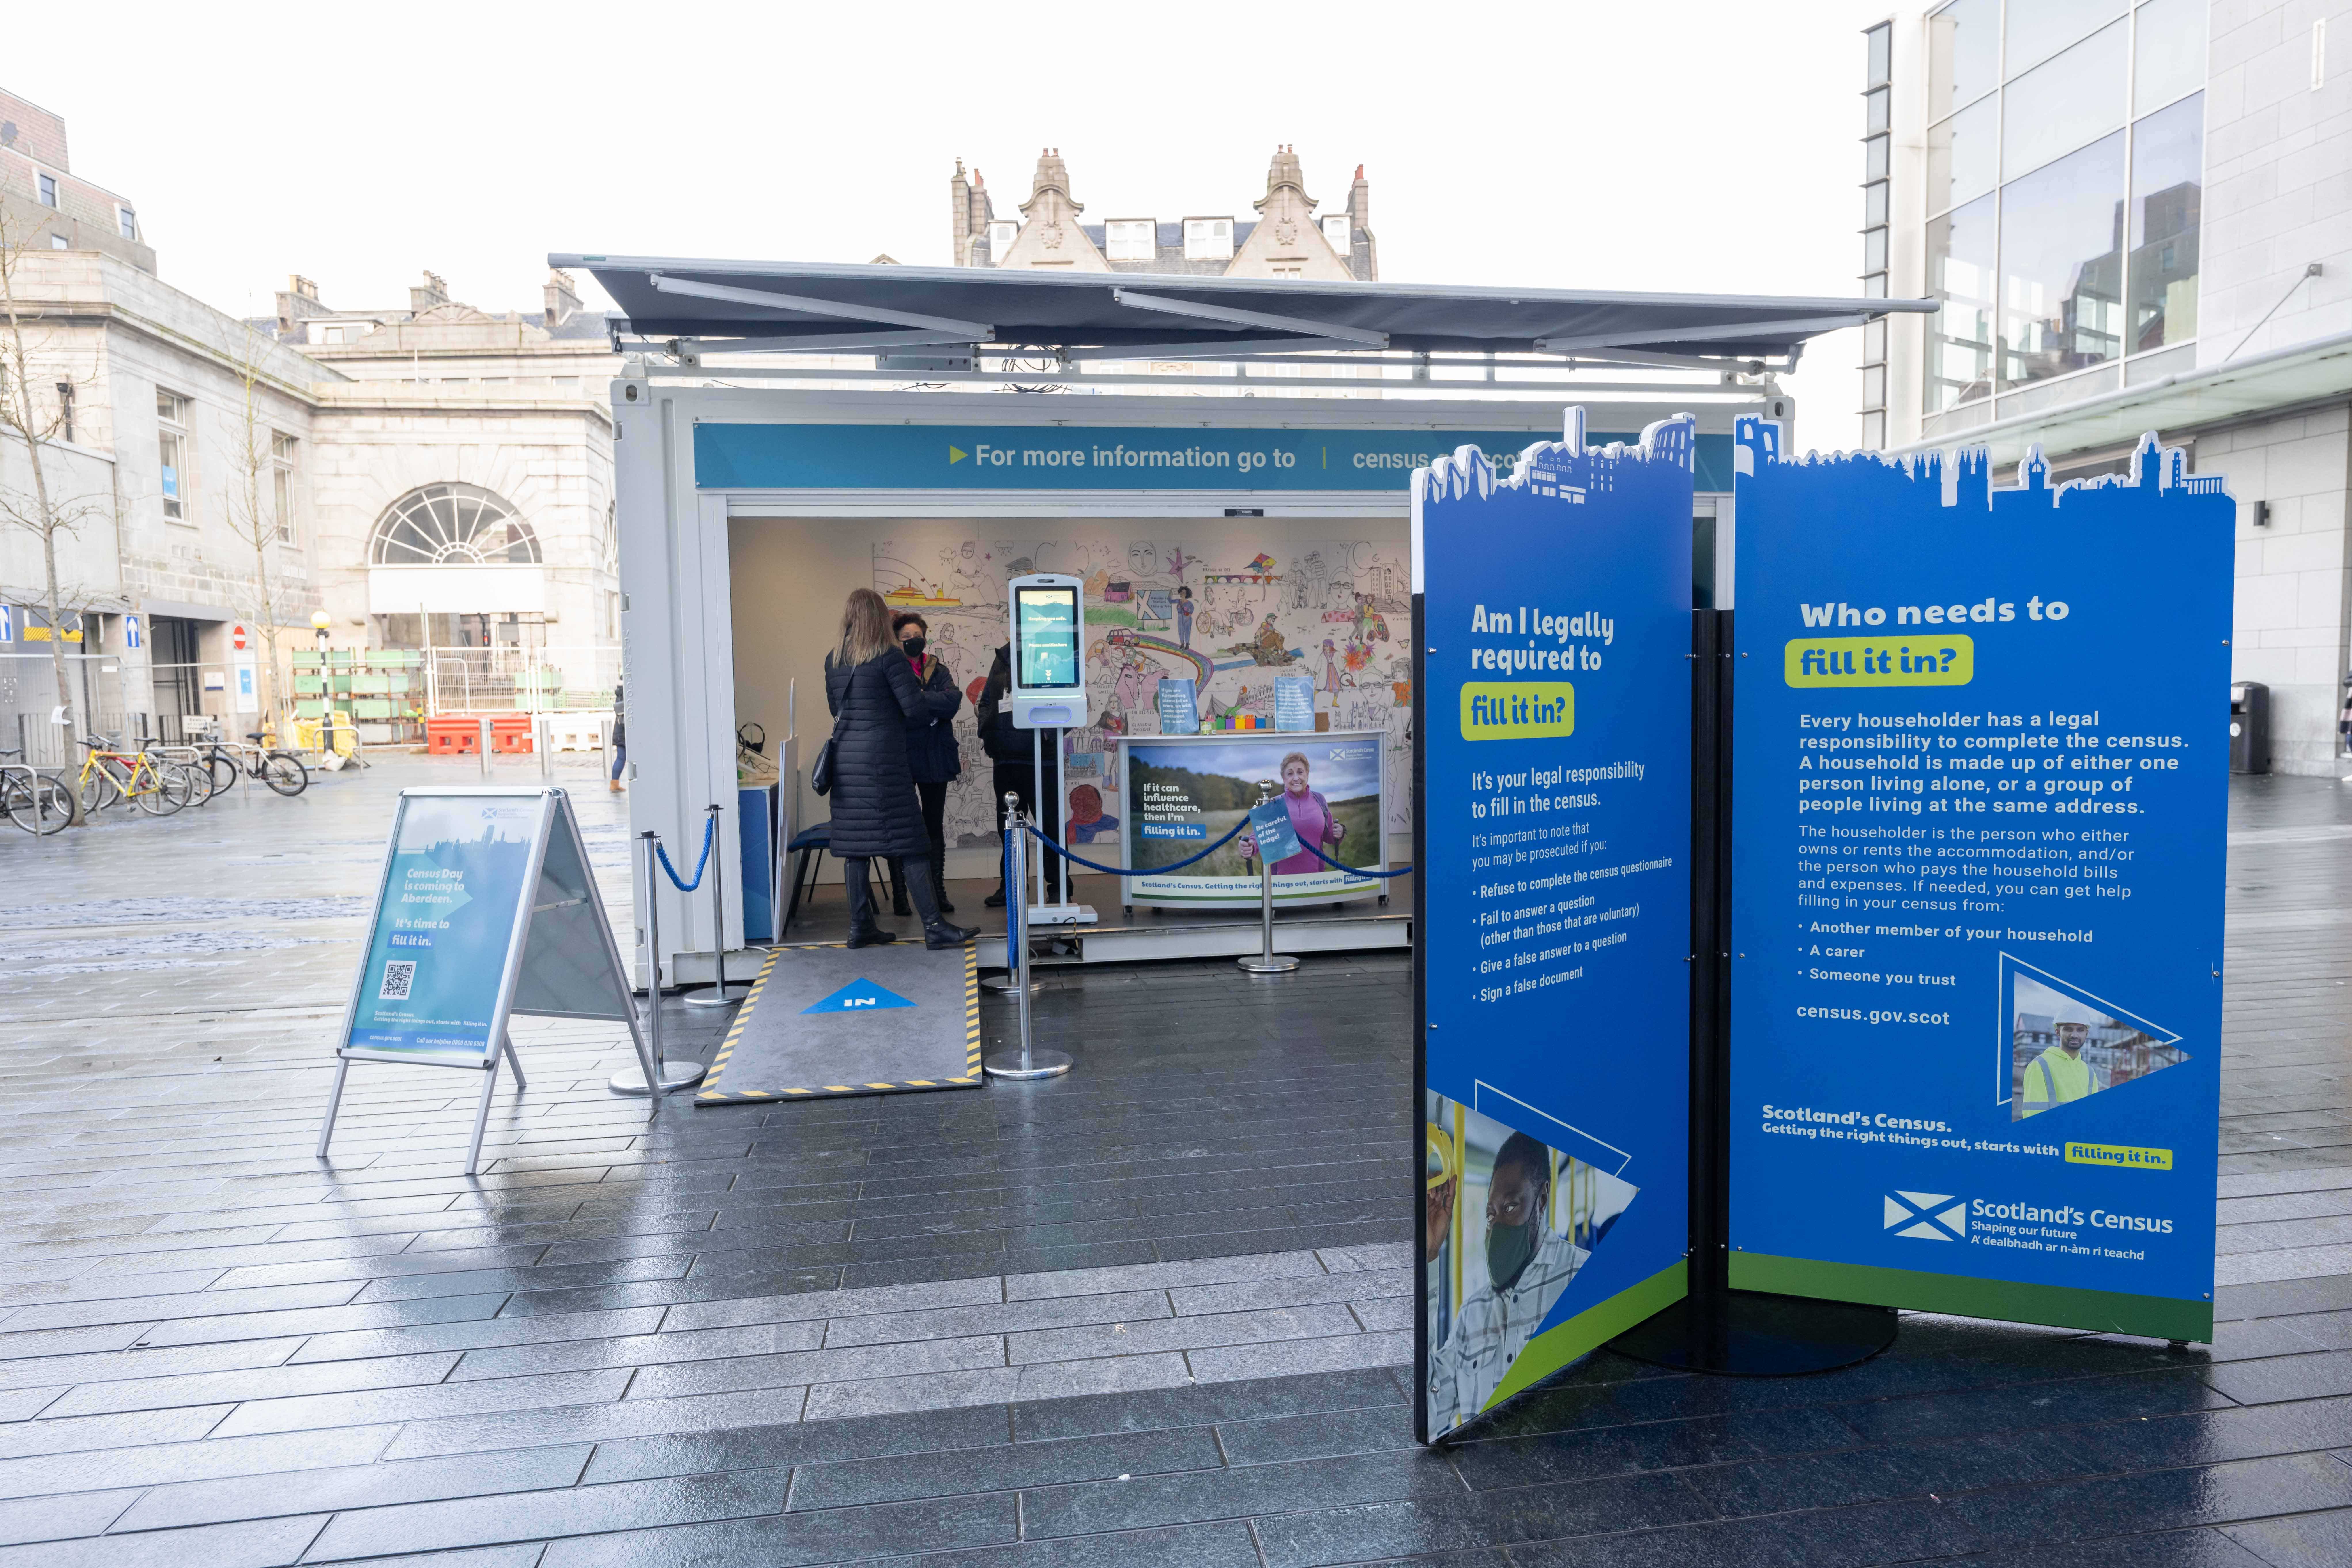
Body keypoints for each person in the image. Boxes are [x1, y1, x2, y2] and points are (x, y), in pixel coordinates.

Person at [822, 589, 977, 951]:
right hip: (883, 762)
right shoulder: (888, 657)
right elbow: (915, 710)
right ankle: (935, 926)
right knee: (912, 841)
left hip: (847, 762)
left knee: (855, 847)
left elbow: (836, 707)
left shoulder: (834, 659)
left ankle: (861, 926)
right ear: (881, 619)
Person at [1425, 1131, 1587, 1434]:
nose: (1497, 1225)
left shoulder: (1584, 1280)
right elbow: (1429, 1414)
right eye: (1490, 1215)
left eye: (1511, 1207)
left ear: (1541, 1200)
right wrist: (1430, 1254)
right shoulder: (1472, 1314)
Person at [886, 611, 962, 917]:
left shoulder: (938, 669)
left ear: (925, 636)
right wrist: (930, 706)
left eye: (916, 636)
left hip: (935, 756)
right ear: (896, 641)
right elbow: (894, 707)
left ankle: (937, 893)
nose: (912, 641)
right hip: (901, 756)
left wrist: (916, 700)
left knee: (934, 826)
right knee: (901, 827)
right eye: (905, 638)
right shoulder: (891, 669)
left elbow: (953, 702)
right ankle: (901, 896)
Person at [976, 639, 1062, 908]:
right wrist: (988, 732)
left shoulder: (1055, 653)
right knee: (1009, 830)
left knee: (1052, 829)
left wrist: (1050, 735)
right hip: (1006, 759)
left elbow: (1070, 703)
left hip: (1042, 759)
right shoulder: (1003, 656)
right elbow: (988, 700)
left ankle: (1059, 889)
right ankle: (1012, 886)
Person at [1238, 750, 1346, 876]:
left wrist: (1340, 832)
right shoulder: (1275, 803)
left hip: (1317, 878)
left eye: (1300, 772)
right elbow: (1259, 836)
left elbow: (1329, 836)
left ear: (1307, 774)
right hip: (1281, 882)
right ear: (1284, 778)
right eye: (1290, 774)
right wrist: (1249, 846)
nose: (1296, 778)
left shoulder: (1319, 799)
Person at [2020, 1018, 2102, 1116]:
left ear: (2087, 1033)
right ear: (2058, 1032)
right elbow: (2033, 1112)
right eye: (2069, 1030)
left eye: (2080, 1030)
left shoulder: (2090, 1073)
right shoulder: (2040, 1066)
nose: (2075, 1035)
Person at [608, 683, 626, 792]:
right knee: (621, 758)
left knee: (621, 757)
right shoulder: (627, 695)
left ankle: (614, 784)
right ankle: (614, 784)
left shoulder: (621, 696)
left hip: (620, 732)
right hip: (624, 733)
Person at [1175, 585, 1195, 650]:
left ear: (1187, 594)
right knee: (1181, 631)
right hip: (1180, 618)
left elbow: (1192, 609)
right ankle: (1182, 644)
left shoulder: (1189, 603)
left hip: (1187, 618)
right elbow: (1170, 601)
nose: (1182, 594)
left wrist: (1189, 616)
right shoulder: (1178, 601)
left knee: (1187, 632)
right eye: (1181, 593)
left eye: (1184, 593)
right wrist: (1169, 593)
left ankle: (1187, 644)